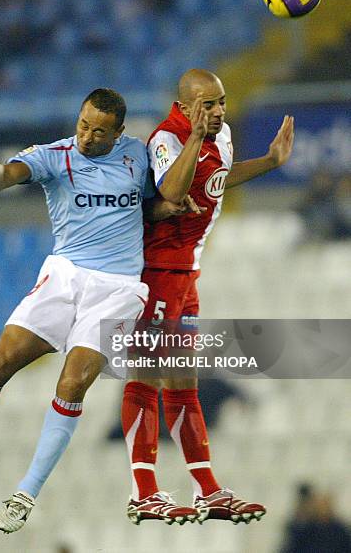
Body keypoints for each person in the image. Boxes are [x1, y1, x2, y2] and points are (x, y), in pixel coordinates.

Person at [0, 88, 199, 533]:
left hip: (118, 288)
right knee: (0, 362)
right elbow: (9, 174)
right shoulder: (55, 156)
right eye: (83, 125)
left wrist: (169, 205)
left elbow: (151, 204)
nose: (87, 136)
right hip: (63, 277)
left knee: (74, 380)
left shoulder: (137, 156)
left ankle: (25, 494)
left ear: (119, 133)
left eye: (99, 131)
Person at [121, 69, 295, 525]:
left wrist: (269, 163)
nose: (218, 111)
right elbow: (172, 191)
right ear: (184, 107)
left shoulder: (224, 134)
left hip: (186, 277)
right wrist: (195, 138)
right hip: (155, 273)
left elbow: (214, 181)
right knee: (146, 377)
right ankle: (145, 492)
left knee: (183, 383)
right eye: (208, 105)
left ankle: (209, 491)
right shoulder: (166, 139)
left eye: (220, 102)